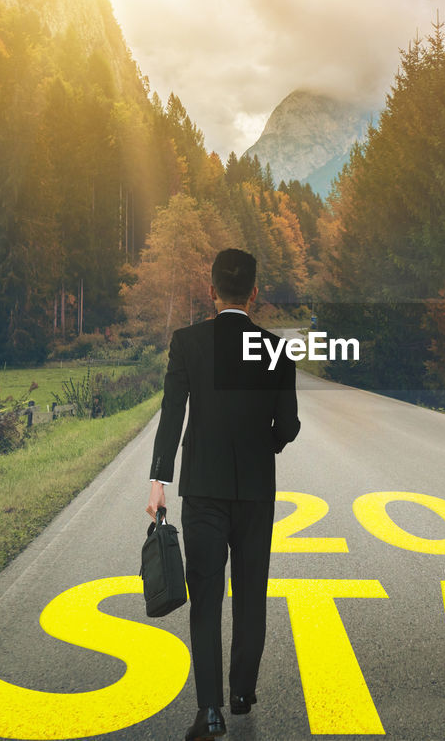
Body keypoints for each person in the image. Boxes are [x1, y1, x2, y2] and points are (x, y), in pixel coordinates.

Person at [146, 248, 300, 741]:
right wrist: (264, 444)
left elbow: (172, 415)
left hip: (203, 493)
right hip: (256, 491)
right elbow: (289, 426)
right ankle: (241, 694)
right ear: (254, 293)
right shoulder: (276, 350)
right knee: (251, 592)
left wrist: (158, 480)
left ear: (212, 291)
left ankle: (209, 711)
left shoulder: (187, 342)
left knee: (206, 596)